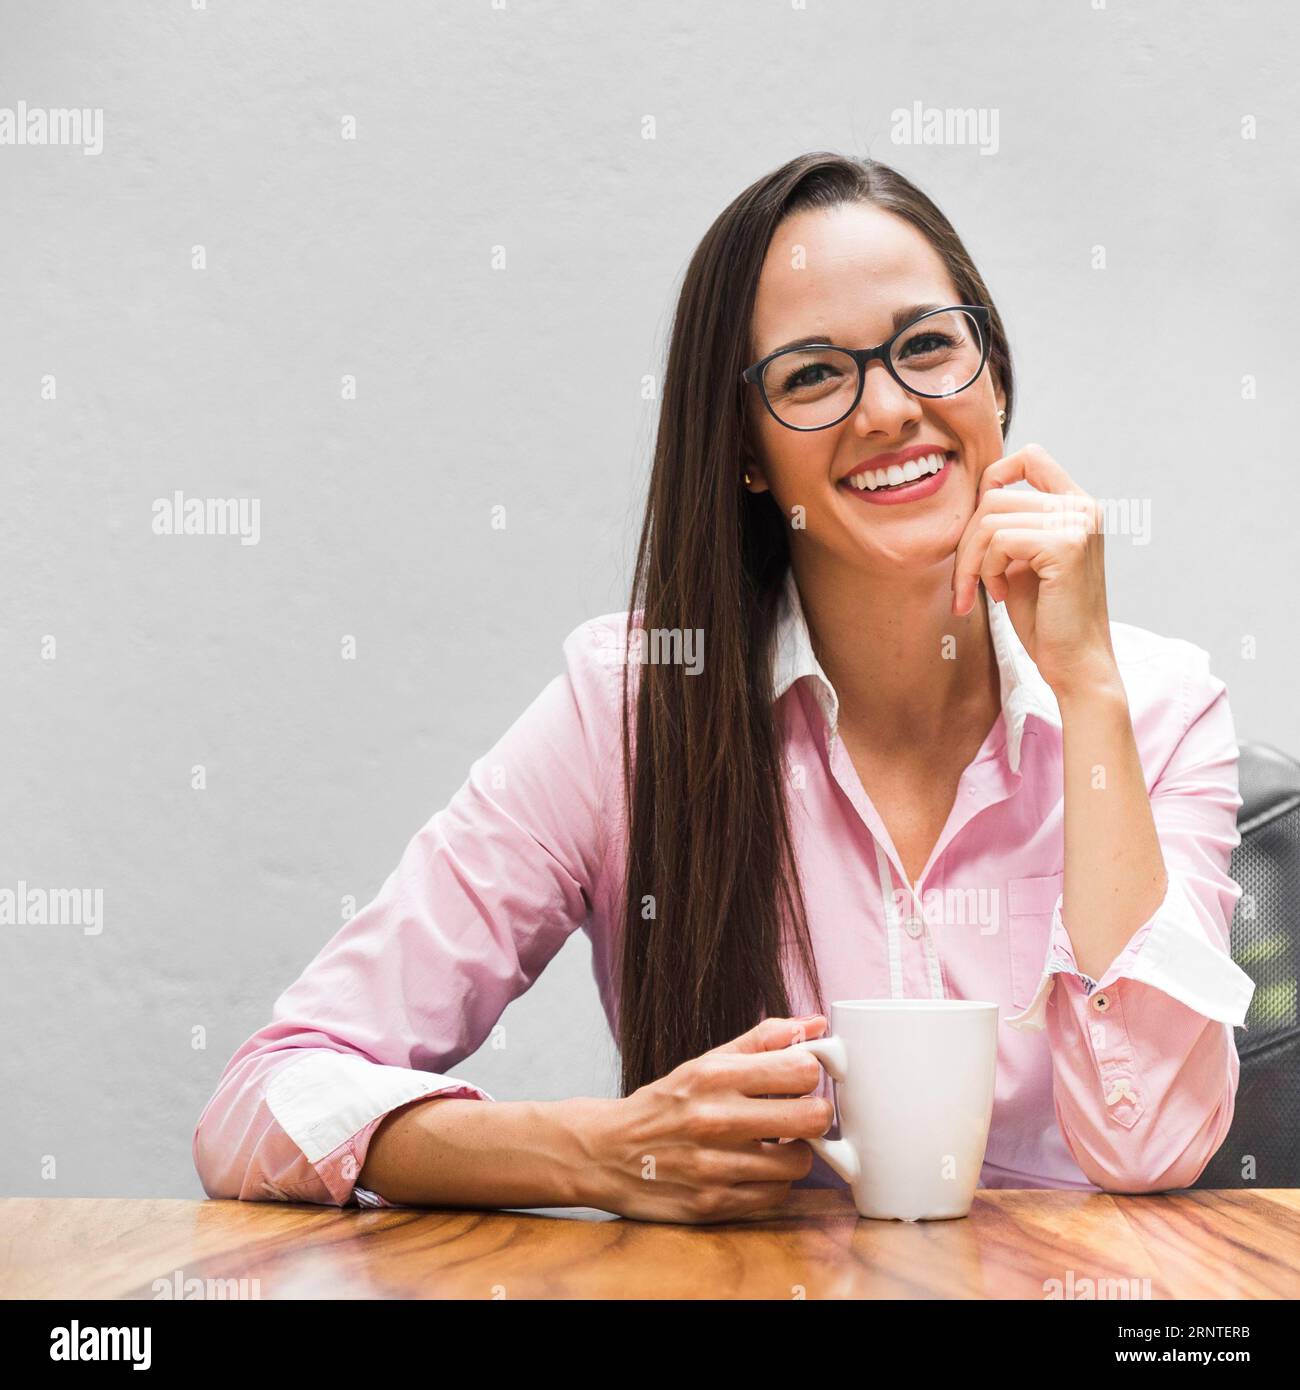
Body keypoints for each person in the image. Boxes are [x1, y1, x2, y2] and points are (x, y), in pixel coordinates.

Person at [192, 152, 1255, 1223]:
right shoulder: (631, 708)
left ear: (994, 376)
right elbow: (264, 1102)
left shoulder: (1155, 709)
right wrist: (598, 1151)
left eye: (928, 346)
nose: (887, 408)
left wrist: (1087, 692)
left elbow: (1148, 1144)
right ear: (745, 452)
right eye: (811, 375)